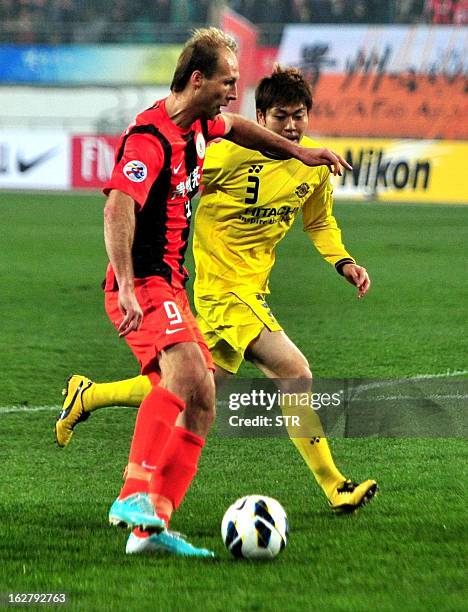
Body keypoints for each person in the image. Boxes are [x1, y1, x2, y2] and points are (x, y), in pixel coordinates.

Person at [56, 32, 352, 558]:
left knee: (202, 397)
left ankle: (151, 527)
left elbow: (239, 127)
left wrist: (301, 153)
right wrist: (125, 284)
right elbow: (117, 207)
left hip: (172, 283)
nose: (233, 93)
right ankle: (132, 495)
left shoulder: (202, 127)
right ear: (198, 79)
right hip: (144, 281)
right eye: (228, 81)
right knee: (191, 379)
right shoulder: (150, 137)